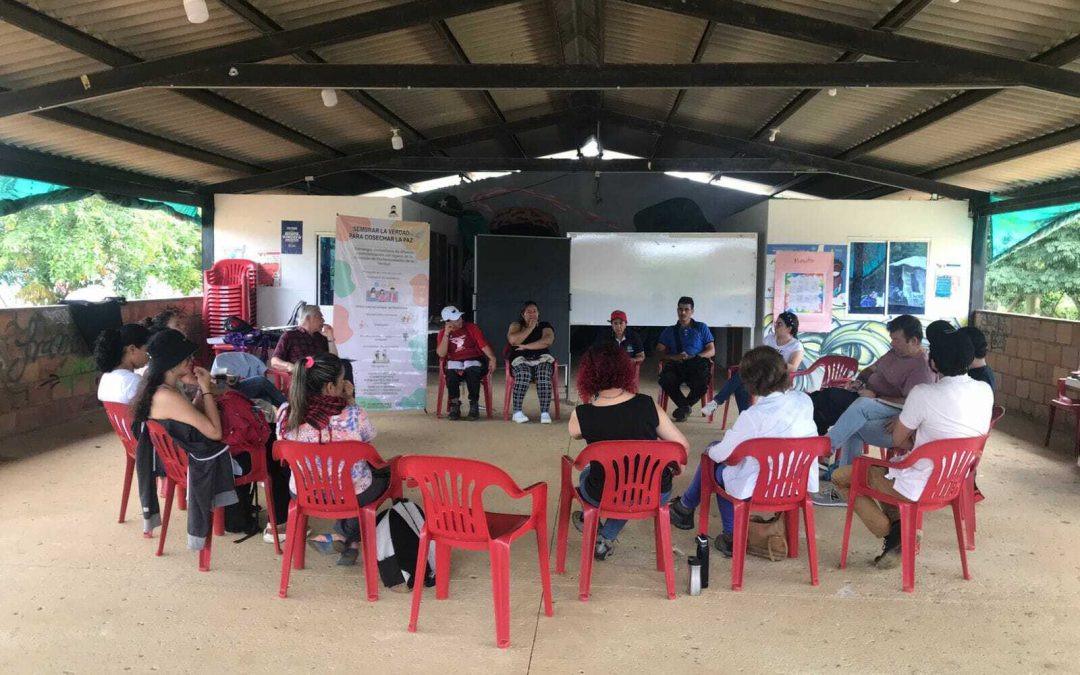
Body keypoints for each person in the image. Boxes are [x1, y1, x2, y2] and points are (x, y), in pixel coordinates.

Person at [830, 328, 992, 569]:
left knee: (842, 477)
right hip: (954, 482)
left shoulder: (923, 393)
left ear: (934, 362)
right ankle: (898, 532)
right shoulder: (984, 391)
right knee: (885, 472)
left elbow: (896, 440)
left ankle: (890, 532)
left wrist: (914, 433)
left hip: (918, 485)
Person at [668, 347, 818, 555]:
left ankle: (727, 533)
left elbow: (722, 455)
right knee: (725, 463)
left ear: (751, 382)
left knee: (716, 463)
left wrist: (711, 450)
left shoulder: (753, 416)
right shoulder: (804, 401)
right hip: (795, 483)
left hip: (760, 487)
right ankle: (684, 507)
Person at [568, 344, 689, 560]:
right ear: (625, 369)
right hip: (654, 492)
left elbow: (575, 433)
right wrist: (675, 467)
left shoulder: (582, 414)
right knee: (635, 479)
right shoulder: (647, 405)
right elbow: (682, 448)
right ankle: (606, 536)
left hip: (601, 494)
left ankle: (599, 529)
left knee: (591, 471)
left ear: (587, 374)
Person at [277, 353, 382, 566]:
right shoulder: (353, 414)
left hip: (304, 491)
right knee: (380, 475)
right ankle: (343, 537)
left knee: (347, 479)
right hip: (350, 493)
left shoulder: (286, 413)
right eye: (342, 379)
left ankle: (348, 543)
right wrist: (350, 401)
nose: (345, 382)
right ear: (331, 388)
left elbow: (281, 442)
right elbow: (370, 436)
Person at [811, 314, 934, 495]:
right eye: (892, 339)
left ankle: (824, 449)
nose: (892, 344)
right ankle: (845, 486)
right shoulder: (896, 352)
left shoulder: (920, 368)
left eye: (897, 340)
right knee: (835, 406)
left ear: (914, 340)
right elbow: (873, 368)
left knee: (859, 405)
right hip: (869, 396)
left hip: (893, 409)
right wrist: (860, 381)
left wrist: (876, 395)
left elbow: (911, 402)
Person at [131, 329, 231, 544]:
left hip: (176, 461)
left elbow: (189, 416)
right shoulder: (167, 395)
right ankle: (244, 520)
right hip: (192, 464)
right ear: (172, 361)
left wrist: (198, 393)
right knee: (256, 452)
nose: (191, 361)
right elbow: (215, 432)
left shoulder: (160, 387)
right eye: (186, 357)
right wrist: (205, 389)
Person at [702, 311, 804, 418]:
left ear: (789, 329)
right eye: (775, 323)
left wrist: (774, 361)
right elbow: (760, 356)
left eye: (779, 324)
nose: (775, 326)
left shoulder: (796, 346)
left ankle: (720, 405)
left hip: (777, 378)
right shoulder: (770, 338)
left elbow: (793, 368)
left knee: (742, 379)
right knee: (742, 379)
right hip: (761, 373)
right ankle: (744, 417)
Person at [656, 296, 715, 422]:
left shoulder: (701, 327)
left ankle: (683, 408)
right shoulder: (669, 330)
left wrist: (697, 356)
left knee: (702, 383)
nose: (683, 312)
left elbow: (712, 350)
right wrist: (674, 357)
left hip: (696, 364)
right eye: (680, 309)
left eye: (686, 310)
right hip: (676, 365)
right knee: (666, 380)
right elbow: (659, 352)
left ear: (692, 311)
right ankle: (685, 407)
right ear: (677, 310)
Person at [436, 305, 497, 420]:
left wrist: (492, 358)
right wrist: (446, 335)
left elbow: (483, 345)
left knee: (472, 369)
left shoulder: (471, 328)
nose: (460, 320)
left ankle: (474, 404)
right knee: (451, 372)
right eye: (456, 319)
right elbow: (441, 354)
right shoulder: (442, 333)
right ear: (447, 322)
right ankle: (454, 404)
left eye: (459, 317)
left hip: (475, 359)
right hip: (455, 361)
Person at [506, 300, 556, 424]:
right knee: (524, 374)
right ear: (523, 314)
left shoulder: (545, 325)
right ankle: (517, 412)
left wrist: (526, 346)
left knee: (544, 373)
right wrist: (530, 327)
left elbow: (547, 341)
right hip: (520, 359)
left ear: (539, 313)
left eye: (535, 311)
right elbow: (513, 340)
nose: (532, 314)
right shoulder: (516, 325)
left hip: (541, 357)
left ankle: (545, 412)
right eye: (529, 311)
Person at [270, 304, 345, 379]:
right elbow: (274, 361)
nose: (323, 320)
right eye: (320, 317)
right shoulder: (290, 336)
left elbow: (334, 359)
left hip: (322, 374)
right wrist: (292, 367)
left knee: (345, 365)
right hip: (303, 377)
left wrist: (330, 336)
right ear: (308, 318)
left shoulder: (321, 337)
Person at [95, 323, 151, 404]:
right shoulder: (133, 382)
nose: (149, 355)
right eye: (147, 349)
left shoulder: (105, 379)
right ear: (132, 349)